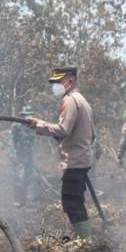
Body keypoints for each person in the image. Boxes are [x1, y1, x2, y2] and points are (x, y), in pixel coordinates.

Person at [26, 67, 95, 240]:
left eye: (58, 82)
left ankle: (85, 241)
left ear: (70, 81)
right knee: (76, 201)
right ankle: (84, 237)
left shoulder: (71, 100)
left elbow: (63, 129)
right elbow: (90, 134)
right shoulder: (82, 101)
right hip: (81, 159)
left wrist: (39, 124)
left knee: (71, 203)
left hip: (74, 161)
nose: (55, 86)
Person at [12, 105, 35, 208]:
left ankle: (26, 200)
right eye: (26, 115)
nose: (28, 118)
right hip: (19, 156)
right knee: (19, 178)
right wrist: (14, 156)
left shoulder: (31, 127)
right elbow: (12, 142)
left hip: (28, 156)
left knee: (28, 177)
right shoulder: (16, 126)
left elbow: (31, 142)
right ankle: (17, 200)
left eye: (29, 115)